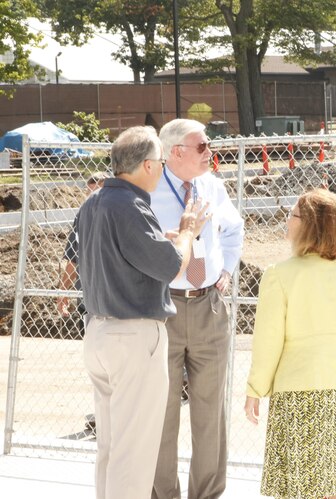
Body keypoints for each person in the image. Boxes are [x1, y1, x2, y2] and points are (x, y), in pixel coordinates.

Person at [76, 126, 210, 499]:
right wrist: (186, 233)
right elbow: (172, 267)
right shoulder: (132, 205)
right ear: (149, 166)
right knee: (133, 456)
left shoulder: (95, 201)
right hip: (133, 337)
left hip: (100, 332)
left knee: (111, 447)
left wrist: (164, 240)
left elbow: (116, 255)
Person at [245, 188, 336, 499]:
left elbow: (268, 342)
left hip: (301, 391)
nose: (286, 221)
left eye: (292, 215)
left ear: (309, 225)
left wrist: (255, 389)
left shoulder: (279, 275)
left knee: (302, 486)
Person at [152, 119, 244, 499]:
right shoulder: (148, 189)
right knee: (161, 412)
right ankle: (163, 494)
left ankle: (206, 495)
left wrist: (225, 270)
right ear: (176, 152)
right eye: (203, 146)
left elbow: (235, 229)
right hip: (162, 307)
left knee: (211, 414)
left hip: (209, 306)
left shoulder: (213, 187)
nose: (211, 152)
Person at [57, 171, 109, 319]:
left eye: (98, 193)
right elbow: (73, 258)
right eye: (90, 194)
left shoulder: (121, 215)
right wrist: (63, 291)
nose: (93, 199)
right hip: (88, 300)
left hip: (115, 300)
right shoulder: (83, 216)